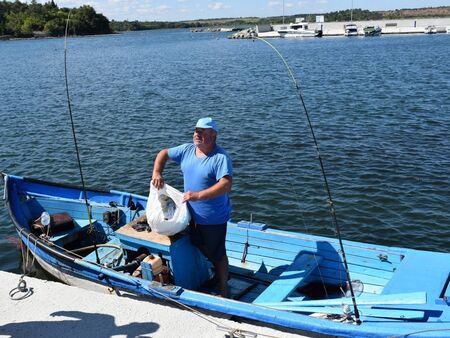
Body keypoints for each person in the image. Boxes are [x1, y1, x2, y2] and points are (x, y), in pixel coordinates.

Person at [152, 117, 232, 297]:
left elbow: (226, 185)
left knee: (219, 253)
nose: (197, 134)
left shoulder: (220, 158)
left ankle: (225, 291)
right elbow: (163, 153)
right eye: (196, 130)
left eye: (202, 131)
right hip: (191, 214)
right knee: (198, 243)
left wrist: (197, 196)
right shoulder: (187, 150)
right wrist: (157, 172)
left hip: (213, 217)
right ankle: (222, 272)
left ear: (213, 135)